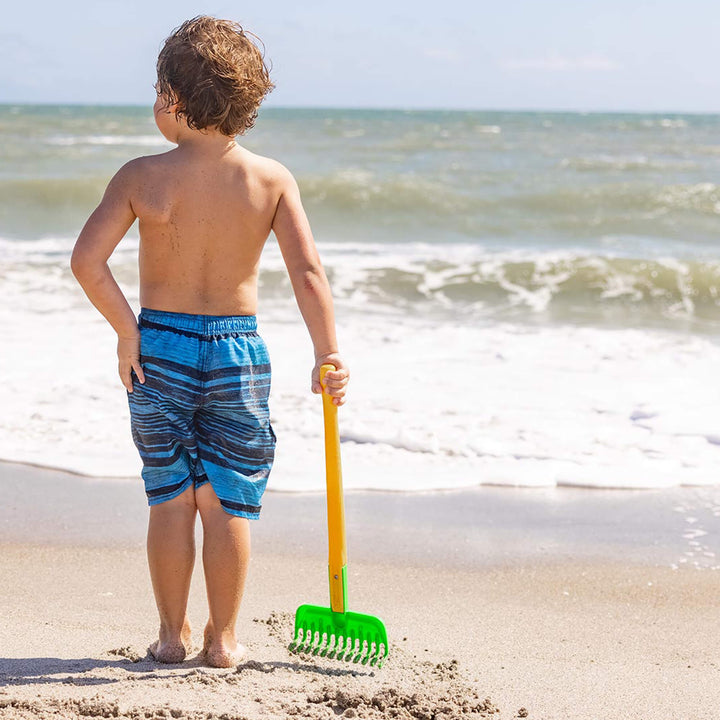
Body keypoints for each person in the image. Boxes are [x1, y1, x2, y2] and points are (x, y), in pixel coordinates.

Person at [70, 15, 349, 668]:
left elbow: (87, 261)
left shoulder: (142, 176)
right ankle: (223, 642)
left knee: (169, 492)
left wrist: (127, 332)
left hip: (159, 348)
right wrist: (327, 353)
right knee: (228, 497)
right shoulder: (270, 179)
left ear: (171, 99)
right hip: (236, 352)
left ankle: (172, 636)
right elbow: (308, 274)